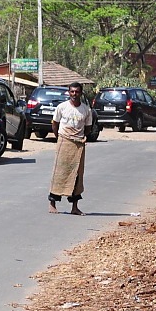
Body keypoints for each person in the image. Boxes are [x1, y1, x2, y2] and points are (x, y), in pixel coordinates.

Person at [48, 82, 93, 215]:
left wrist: (80, 138)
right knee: (59, 173)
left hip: (78, 144)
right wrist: (59, 138)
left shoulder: (86, 110)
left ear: (81, 93)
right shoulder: (62, 107)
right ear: (69, 92)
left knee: (77, 175)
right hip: (64, 141)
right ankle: (52, 203)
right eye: (72, 92)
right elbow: (55, 124)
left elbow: (88, 128)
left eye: (77, 92)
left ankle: (75, 207)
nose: (74, 94)